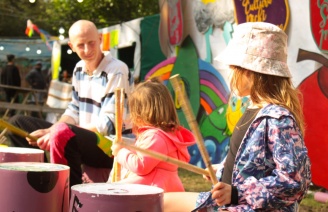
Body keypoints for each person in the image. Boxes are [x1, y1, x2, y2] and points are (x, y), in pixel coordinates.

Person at [163, 22, 311, 211]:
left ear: (249, 72)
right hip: (228, 201)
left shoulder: (278, 119)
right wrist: (224, 170)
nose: (230, 73)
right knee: (159, 201)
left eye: (233, 67)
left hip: (247, 206)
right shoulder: (252, 109)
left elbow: (294, 182)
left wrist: (237, 192)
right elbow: (250, 162)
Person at [7, 19, 131, 187]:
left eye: (91, 43)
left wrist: (56, 132)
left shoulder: (117, 69)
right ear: (71, 47)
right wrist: (49, 130)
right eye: (81, 45)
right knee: (17, 123)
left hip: (111, 146)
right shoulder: (78, 68)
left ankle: (67, 195)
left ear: (100, 39)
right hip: (84, 136)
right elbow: (73, 110)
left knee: (62, 133)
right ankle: (42, 179)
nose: (87, 50)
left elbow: (107, 125)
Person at [109, 79, 196, 192]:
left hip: (152, 188)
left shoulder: (156, 136)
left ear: (141, 113)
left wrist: (120, 152)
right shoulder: (163, 134)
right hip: (158, 185)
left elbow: (141, 165)